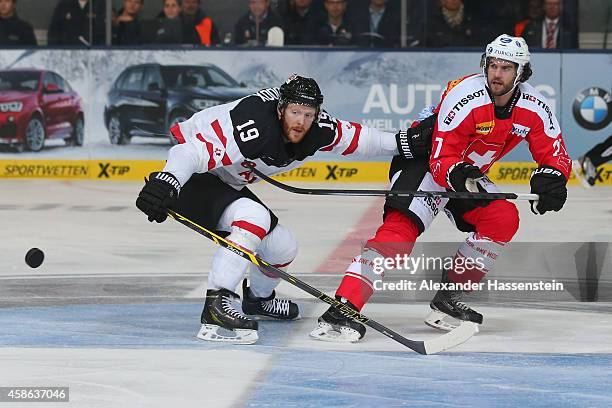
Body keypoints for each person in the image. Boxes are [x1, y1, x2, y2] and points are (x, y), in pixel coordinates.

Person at [135, 75, 435, 344]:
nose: (301, 122)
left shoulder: (316, 128)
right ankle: (218, 303)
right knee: (255, 218)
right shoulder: (253, 124)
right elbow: (189, 152)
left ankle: (258, 299)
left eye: (308, 114)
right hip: (192, 175)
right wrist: (166, 182)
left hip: (225, 180)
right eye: (295, 112)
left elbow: (359, 139)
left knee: (282, 248)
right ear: (280, 109)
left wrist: (403, 143)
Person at [310, 34, 572, 342]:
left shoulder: (535, 105)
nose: (497, 74)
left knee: (502, 217)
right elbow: (441, 157)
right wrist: (460, 175)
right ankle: (342, 309)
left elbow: (554, 152)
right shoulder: (465, 95)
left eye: (506, 68)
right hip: (425, 164)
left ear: (522, 73)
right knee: (399, 235)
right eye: (492, 65)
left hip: (467, 173)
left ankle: (448, 301)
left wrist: (553, 178)